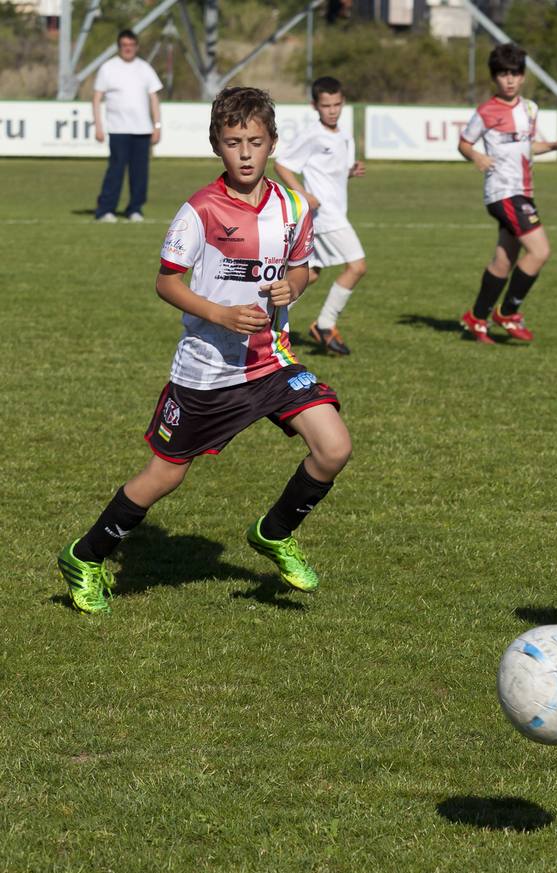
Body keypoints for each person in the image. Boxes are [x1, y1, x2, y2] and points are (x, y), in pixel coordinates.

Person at [56, 86, 353, 614]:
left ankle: (274, 531)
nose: (245, 153)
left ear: (272, 144)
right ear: (217, 144)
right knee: (165, 474)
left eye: (255, 142)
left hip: (271, 358)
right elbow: (166, 282)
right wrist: (218, 314)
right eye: (233, 141)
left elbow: (305, 267)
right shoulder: (201, 210)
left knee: (333, 447)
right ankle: (87, 553)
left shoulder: (293, 206)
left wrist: (296, 286)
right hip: (208, 370)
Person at [457, 42, 557, 345]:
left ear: (523, 76)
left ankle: (477, 319)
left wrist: (554, 146)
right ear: (495, 77)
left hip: (523, 190)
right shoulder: (486, 111)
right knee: (540, 251)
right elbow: (464, 143)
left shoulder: (530, 109)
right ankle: (508, 312)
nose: (509, 80)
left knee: (504, 261)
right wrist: (477, 157)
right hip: (502, 192)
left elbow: (528, 146)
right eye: (503, 74)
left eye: (515, 74)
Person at [274, 75, 367, 355]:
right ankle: (325, 324)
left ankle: (266, 323)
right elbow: (282, 165)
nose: (333, 110)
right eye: (326, 105)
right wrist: (302, 194)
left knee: (309, 274)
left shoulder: (344, 135)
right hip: (326, 215)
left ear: (343, 102)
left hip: (336, 212)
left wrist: (349, 172)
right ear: (315, 106)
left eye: (337, 104)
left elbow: (330, 171)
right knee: (357, 266)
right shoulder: (313, 134)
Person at [92, 29, 163, 223]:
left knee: (139, 173)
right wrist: (98, 125)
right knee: (115, 170)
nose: (128, 49)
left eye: (131, 46)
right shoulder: (108, 68)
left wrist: (157, 125)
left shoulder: (145, 68)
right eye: (124, 46)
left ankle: (135, 209)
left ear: (137, 47)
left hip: (142, 129)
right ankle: (105, 210)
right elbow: (97, 98)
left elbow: (154, 98)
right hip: (118, 129)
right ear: (119, 47)